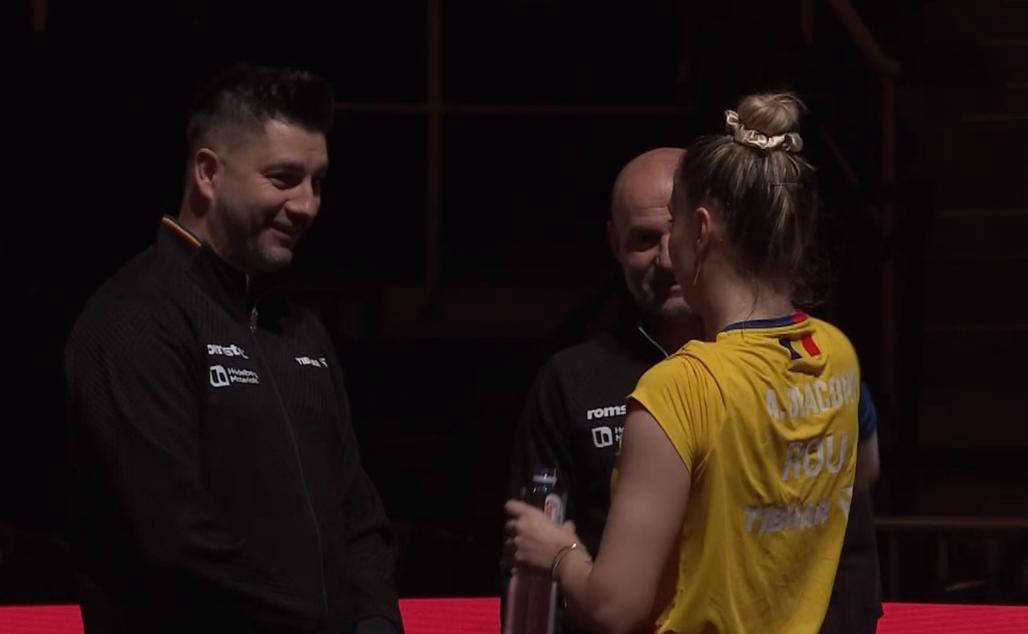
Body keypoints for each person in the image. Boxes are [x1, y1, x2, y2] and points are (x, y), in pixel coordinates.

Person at [506, 93, 881, 634]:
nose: (665, 253)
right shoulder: (836, 352)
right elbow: (861, 472)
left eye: (675, 223)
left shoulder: (678, 386)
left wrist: (558, 552)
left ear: (700, 230)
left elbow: (614, 608)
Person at [65, 64, 403, 634]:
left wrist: (375, 622)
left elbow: (359, 517)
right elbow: (175, 545)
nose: (307, 205)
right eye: (283, 178)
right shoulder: (133, 321)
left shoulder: (300, 329)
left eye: (318, 182)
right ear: (208, 173)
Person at [503, 148, 702, 634]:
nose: (666, 259)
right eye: (644, 239)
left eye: (679, 233)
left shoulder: (771, 365)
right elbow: (532, 552)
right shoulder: (570, 380)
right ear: (614, 242)